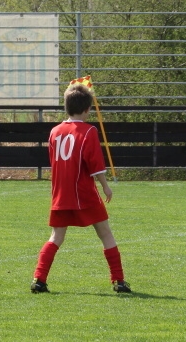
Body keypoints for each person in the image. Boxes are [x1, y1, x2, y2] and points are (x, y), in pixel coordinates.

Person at [31, 83, 131, 294]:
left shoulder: (55, 131)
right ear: (87, 109)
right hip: (83, 194)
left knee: (56, 237)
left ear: (66, 107)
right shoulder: (89, 131)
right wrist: (106, 187)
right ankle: (119, 281)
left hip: (60, 195)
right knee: (105, 234)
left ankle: (39, 280)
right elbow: (95, 164)